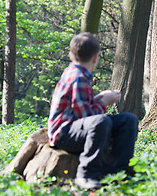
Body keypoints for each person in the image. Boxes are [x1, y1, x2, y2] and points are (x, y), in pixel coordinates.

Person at [47, 32, 138, 189]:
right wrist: (104, 102)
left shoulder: (79, 74)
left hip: (76, 126)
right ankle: (86, 174)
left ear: (71, 55)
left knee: (129, 120)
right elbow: (86, 116)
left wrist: (99, 97)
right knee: (101, 121)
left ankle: (118, 172)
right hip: (63, 134)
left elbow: (80, 108)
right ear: (95, 58)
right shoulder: (78, 78)